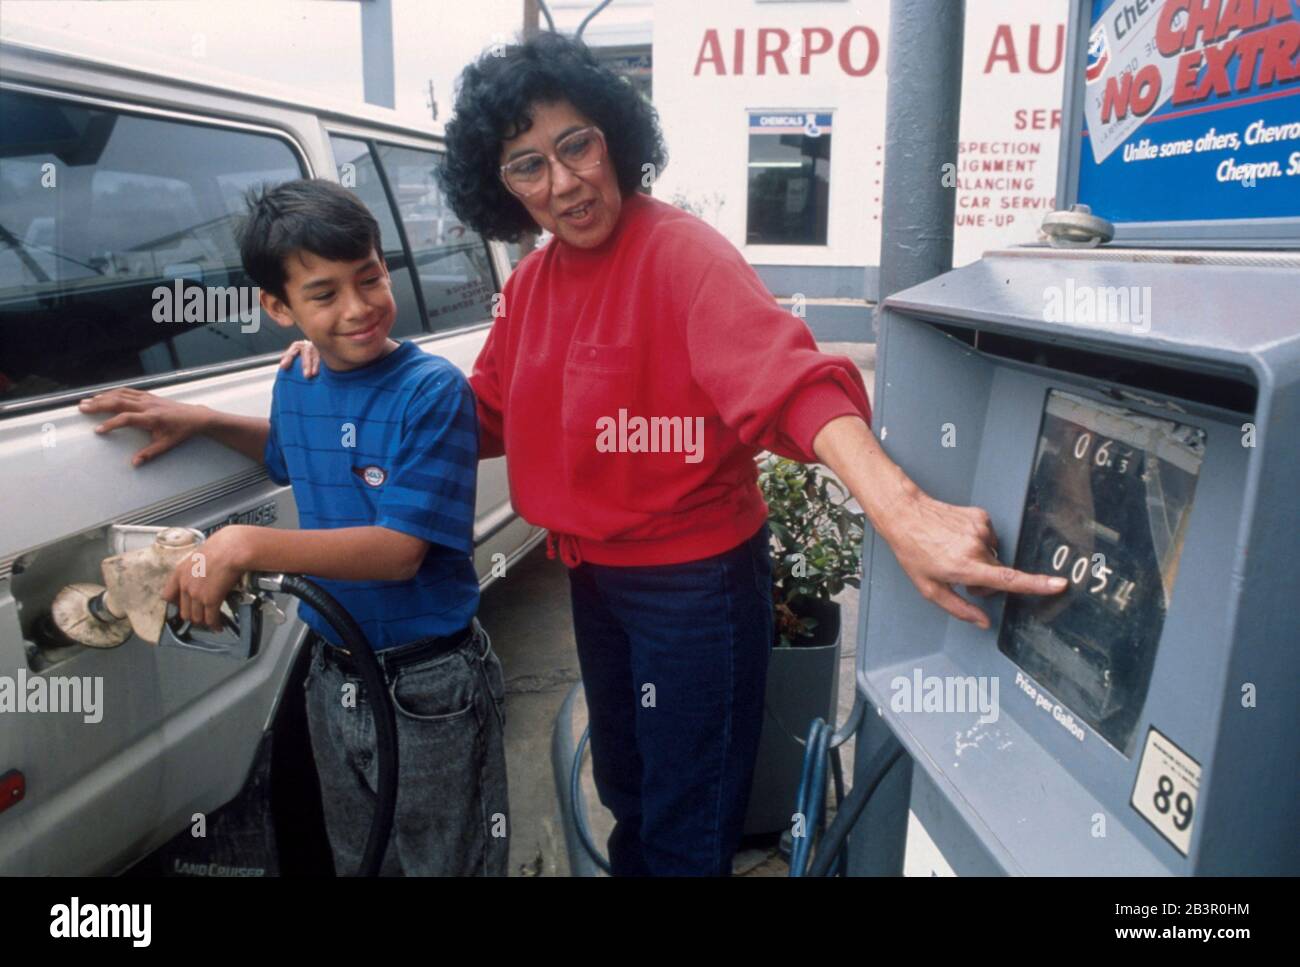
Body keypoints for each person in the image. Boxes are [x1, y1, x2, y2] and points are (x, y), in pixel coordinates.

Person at [285, 33, 1066, 877]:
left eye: (576, 143)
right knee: (629, 795)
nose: (564, 181)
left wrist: (899, 508)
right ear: (501, 184)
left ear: (614, 133)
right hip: (593, 579)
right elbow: (484, 415)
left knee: (689, 824)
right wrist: (347, 374)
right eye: (527, 165)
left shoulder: (680, 254)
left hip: (693, 589)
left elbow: (792, 384)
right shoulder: (533, 286)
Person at [79, 179, 508, 877]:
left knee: (449, 862)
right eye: (324, 294)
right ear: (278, 308)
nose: (359, 307)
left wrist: (243, 543)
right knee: (361, 856)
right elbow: (287, 451)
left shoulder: (432, 391)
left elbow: (400, 552)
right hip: (333, 671)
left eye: (369, 278)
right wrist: (203, 420)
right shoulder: (298, 380)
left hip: (431, 685)